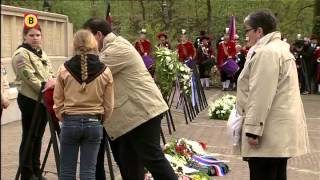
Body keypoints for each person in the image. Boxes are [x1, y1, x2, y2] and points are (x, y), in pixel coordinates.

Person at [83, 18, 177, 180]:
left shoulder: (117, 48)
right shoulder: (111, 47)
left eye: (86, 38)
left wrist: (58, 80)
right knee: (129, 164)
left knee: (153, 159)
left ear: (98, 35)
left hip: (142, 113)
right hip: (131, 117)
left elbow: (88, 72)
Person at [236, 9, 310, 180]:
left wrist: (253, 129)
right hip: (277, 130)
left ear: (259, 31)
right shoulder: (279, 49)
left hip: (268, 131)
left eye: (247, 30)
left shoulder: (267, 52)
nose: (246, 36)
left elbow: (260, 94)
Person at [53, 29, 114, 179]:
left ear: (74, 45)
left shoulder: (64, 69)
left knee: (66, 172)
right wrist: (101, 120)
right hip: (94, 122)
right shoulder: (105, 71)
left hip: (70, 122)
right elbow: (109, 105)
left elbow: (58, 100)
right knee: (88, 172)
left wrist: (64, 117)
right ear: (94, 44)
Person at [12, 25, 56, 180]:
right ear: (25, 37)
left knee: (38, 136)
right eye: (31, 35)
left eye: (38, 35)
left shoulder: (41, 53)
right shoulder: (21, 55)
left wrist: (51, 88)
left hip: (43, 100)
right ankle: (27, 173)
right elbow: (29, 78)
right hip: (30, 100)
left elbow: (50, 73)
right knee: (29, 136)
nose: (35, 38)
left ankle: (36, 171)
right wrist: (47, 89)